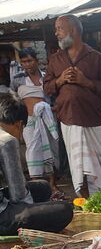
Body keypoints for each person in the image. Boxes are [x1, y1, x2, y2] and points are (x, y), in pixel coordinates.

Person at [43, 14, 101, 198]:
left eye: (59, 28)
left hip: (93, 118)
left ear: (73, 30)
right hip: (69, 119)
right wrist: (60, 80)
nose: (56, 33)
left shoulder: (95, 57)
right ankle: (85, 201)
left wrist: (86, 82)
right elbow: (46, 87)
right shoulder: (56, 59)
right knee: (79, 166)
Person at [0, 95, 73, 235]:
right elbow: (19, 195)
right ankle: (31, 233)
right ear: (19, 124)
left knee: (43, 186)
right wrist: (36, 211)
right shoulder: (7, 140)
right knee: (64, 210)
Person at [11, 48, 60, 193]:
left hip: (47, 120)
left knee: (51, 150)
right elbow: (15, 99)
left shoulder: (46, 77)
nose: (28, 64)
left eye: (30, 61)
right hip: (29, 121)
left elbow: (54, 96)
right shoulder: (18, 79)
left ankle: (52, 184)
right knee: (33, 152)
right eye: (24, 62)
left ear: (36, 60)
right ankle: (36, 186)